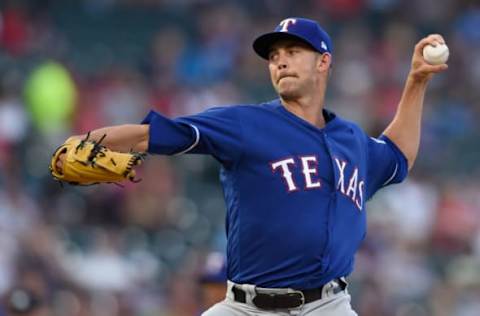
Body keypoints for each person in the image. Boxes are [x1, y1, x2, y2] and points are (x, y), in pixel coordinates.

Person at [56, 17, 448, 315]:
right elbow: (153, 134)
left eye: (293, 52)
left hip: (327, 306)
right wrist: (90, 142)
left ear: (323, 62)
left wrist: (416, 81)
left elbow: (397, 155)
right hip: (245, 307)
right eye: (275, 56)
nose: (281, 62)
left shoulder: (353, 141)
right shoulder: (246, 124)